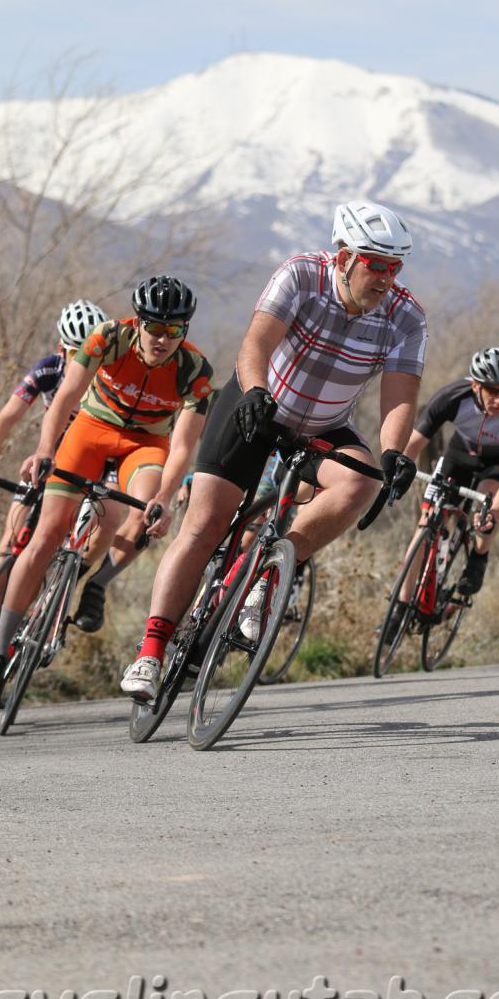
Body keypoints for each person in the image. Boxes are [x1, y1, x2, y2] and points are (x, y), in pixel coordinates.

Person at [121, 200, 428, 700]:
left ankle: (268, 573)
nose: (386, 278)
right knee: (203, 526)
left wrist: (395, 451)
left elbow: (400, 393)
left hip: (324, 426)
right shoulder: (301, 276)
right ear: (345, 257)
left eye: (396, 267)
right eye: (376, 264)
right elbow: (256, 344)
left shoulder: (406, 317)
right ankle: (150, 653)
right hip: (255, 404)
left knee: (362, 480)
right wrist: (258, 391)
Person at [0, 277, 213, 693]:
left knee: (145, 510)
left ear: (184, 330)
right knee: (45, 536)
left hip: (145, 443)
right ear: (138, 322)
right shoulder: (107, 338)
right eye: (154, 327)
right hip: (90, 431)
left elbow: (183, 446)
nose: (161, 338)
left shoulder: (195, 371)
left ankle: (96, 584)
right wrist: (46, 448)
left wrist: (164, 498)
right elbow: (66, 397)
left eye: (173, 330)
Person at [0, 299, 119, 668]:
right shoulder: (49, 368)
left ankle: (68, 582)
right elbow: (5, 418)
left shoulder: (111, 376)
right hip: (53, 461)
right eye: (76, 352)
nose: (86, 361)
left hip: (98, 464)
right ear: (62, 348)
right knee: (10, 540)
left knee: (104, 520)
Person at [383, 347, 499, 632]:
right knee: (425, 525)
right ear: (475, 385)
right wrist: (397, 473)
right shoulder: (452, 397)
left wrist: (492, 514)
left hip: (495, 465)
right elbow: (414, 444)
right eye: (492, 390)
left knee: (487, 507)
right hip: (458, 457)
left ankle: (479, 556)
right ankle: (400, 607)